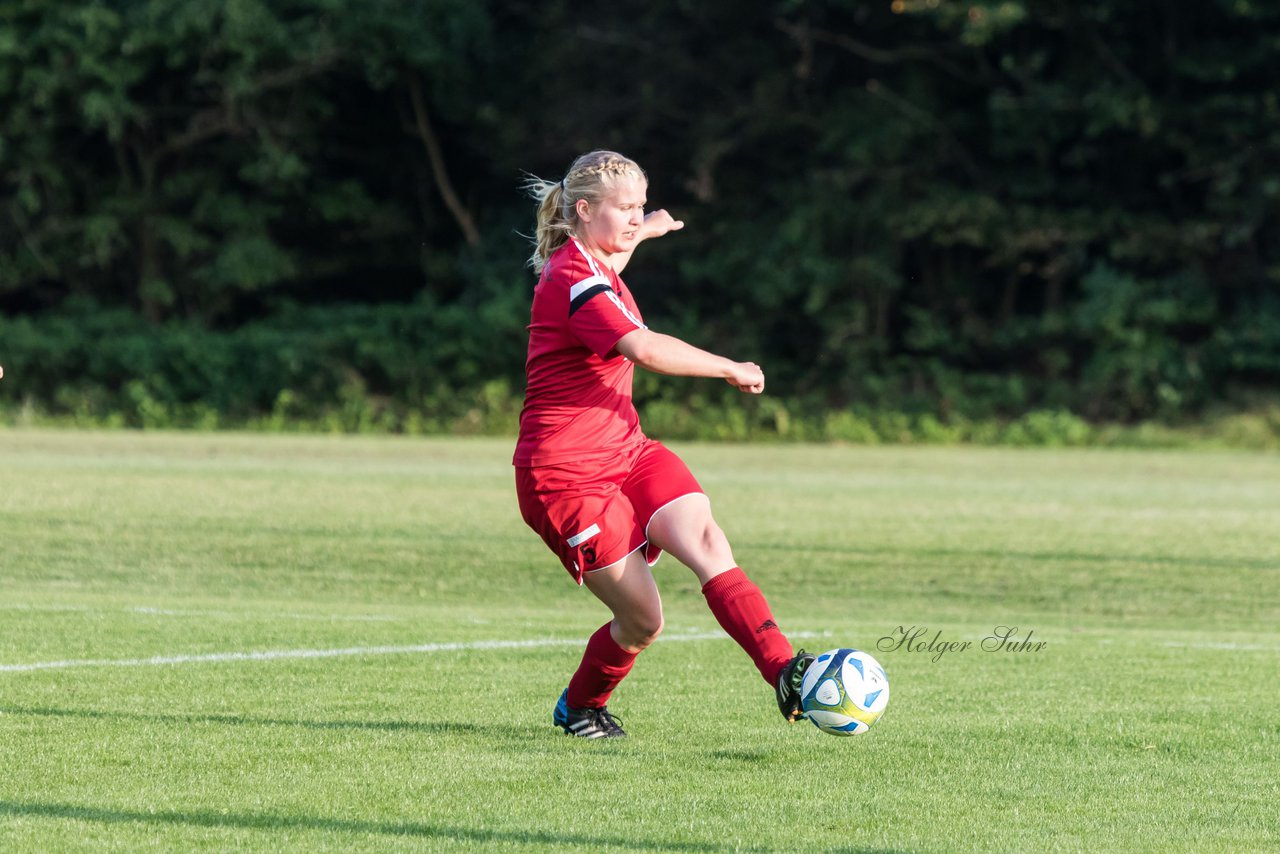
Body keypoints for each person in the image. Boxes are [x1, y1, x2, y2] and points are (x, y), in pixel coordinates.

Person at [514, 150, 813, 738]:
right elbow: (644, 349)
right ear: (583, 211)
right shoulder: (573, 281)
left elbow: (618, 251)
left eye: (640, 206)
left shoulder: (595, 257)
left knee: (706, 540)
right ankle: (580, 708)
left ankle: (785, 670)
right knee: (645, 621)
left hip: (627, 449)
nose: (634, 217)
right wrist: (729, 366)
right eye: (624, 208)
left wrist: (645, 229)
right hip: (565, 476)